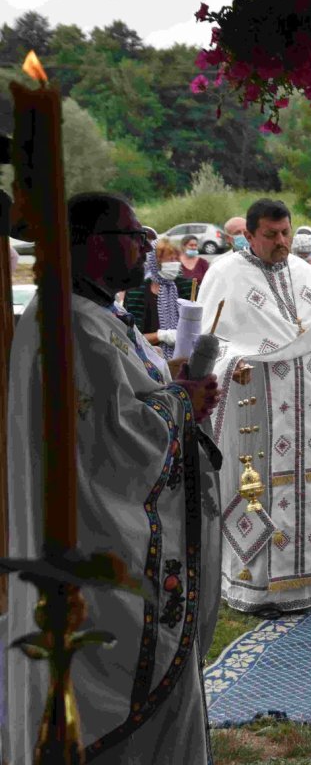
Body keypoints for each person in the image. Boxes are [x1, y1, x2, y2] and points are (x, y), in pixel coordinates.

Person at [7, 192, 221, 763]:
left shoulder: (94, 313)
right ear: (92, 247)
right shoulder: (73, 324)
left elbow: (119, 401)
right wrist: (183, 403)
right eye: (133, 234)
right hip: (101, 545)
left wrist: (173, 383)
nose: (147, 244)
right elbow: (114, 441)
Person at [198, 198, 311, 615]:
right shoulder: (225, 274)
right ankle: (258, 590)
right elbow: (209, 339)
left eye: (285, 232)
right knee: (261, 490)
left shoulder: (304, 271)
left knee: (310, 487)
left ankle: (307, 581)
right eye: (271, 235)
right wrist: (230, 364)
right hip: (256, 400)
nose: (281, 241)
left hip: (307, 399)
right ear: (249, 235)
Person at [122, 237, 198, 360]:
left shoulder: (188, 287)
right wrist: (161, 336)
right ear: (155, 262)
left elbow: (198, 327)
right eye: (170, 259)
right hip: (147, 360)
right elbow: (130, 336)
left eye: (177, 259)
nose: (175, 263)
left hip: (184, 359)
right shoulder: (135, 293)